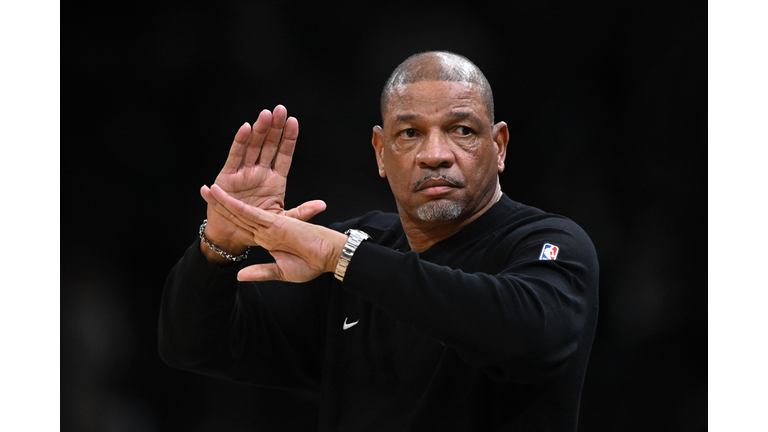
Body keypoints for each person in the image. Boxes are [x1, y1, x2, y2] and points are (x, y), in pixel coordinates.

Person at [159, 51, 599, 431]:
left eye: (462, 130)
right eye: (410, 133)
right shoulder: (355, 252)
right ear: (380, 152)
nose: (435, 154)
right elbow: (193, 347)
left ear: (499, 146)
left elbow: (529, 338)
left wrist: (343, 256)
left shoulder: (547, 242)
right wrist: (220, 245)